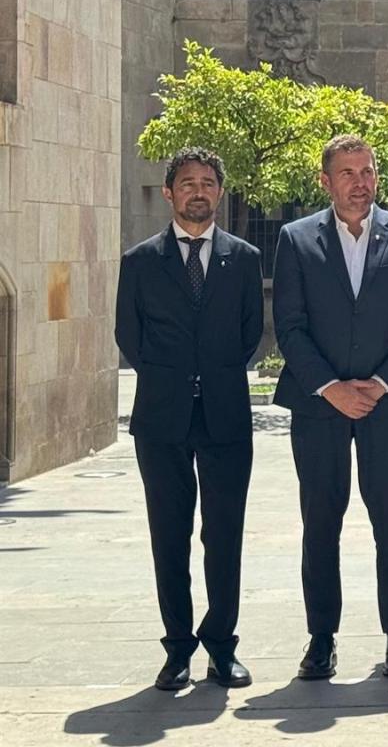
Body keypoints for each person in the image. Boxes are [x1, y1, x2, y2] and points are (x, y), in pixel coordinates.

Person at [272, 135, 388, 680]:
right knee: (321, 522)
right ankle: (321, 639)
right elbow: (290, 326)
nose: (360, 183)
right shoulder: (296, 239)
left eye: (367, 172)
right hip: (319, 406)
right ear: (326, 181)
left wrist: (382, 383)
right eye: (347, 173)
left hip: (386, 405)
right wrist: (331, 387)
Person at [115, 147, 264, 691]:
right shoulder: (139, 262)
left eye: (207, 182)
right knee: (169, 536)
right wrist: (173, 377)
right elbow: (129, 336)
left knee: (224, 536)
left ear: (219, 192)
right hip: (162, 419)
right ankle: (177, 648)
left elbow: (250, 333)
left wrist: (211, 375)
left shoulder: (244, 259)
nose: (198, 191)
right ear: (169, 192)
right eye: (187, 182)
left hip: (225, 416)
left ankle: (222, 647)